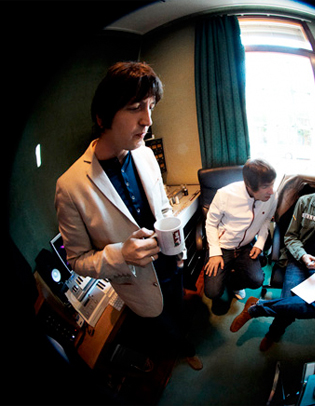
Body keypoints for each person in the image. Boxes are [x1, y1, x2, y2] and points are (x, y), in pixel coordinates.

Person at [55, 61, 202, 370]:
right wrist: (121, 255)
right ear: (102, 117)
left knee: (179, 309)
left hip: (171, 265)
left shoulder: (145, 153)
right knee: (161, 325)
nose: (148, 120)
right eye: (136, 108)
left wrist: (178, 249)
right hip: (136, 285)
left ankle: (185, 344)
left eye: (150, 107)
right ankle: (175, 352)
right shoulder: (69, 187)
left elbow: (163, 208)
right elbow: (77, 260)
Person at [230, 164, 315, 351]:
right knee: (289, 305)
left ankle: (256, 308)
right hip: (298, 261)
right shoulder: (304, 202)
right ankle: (273, 334)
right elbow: (290, 237)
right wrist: (303, 256)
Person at [204, 158, 277, 314]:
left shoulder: (271, 196)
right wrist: (214, 252)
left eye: (272, 184)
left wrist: (260, 243)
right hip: (223, 246)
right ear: (249, 186)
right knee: (212, 292)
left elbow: (266, 220)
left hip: (246, 246)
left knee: (256, 281)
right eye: (266, 187)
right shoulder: (224, 195)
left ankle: (234, 284)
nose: (271, 191)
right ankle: (223, 281)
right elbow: (210, 224)